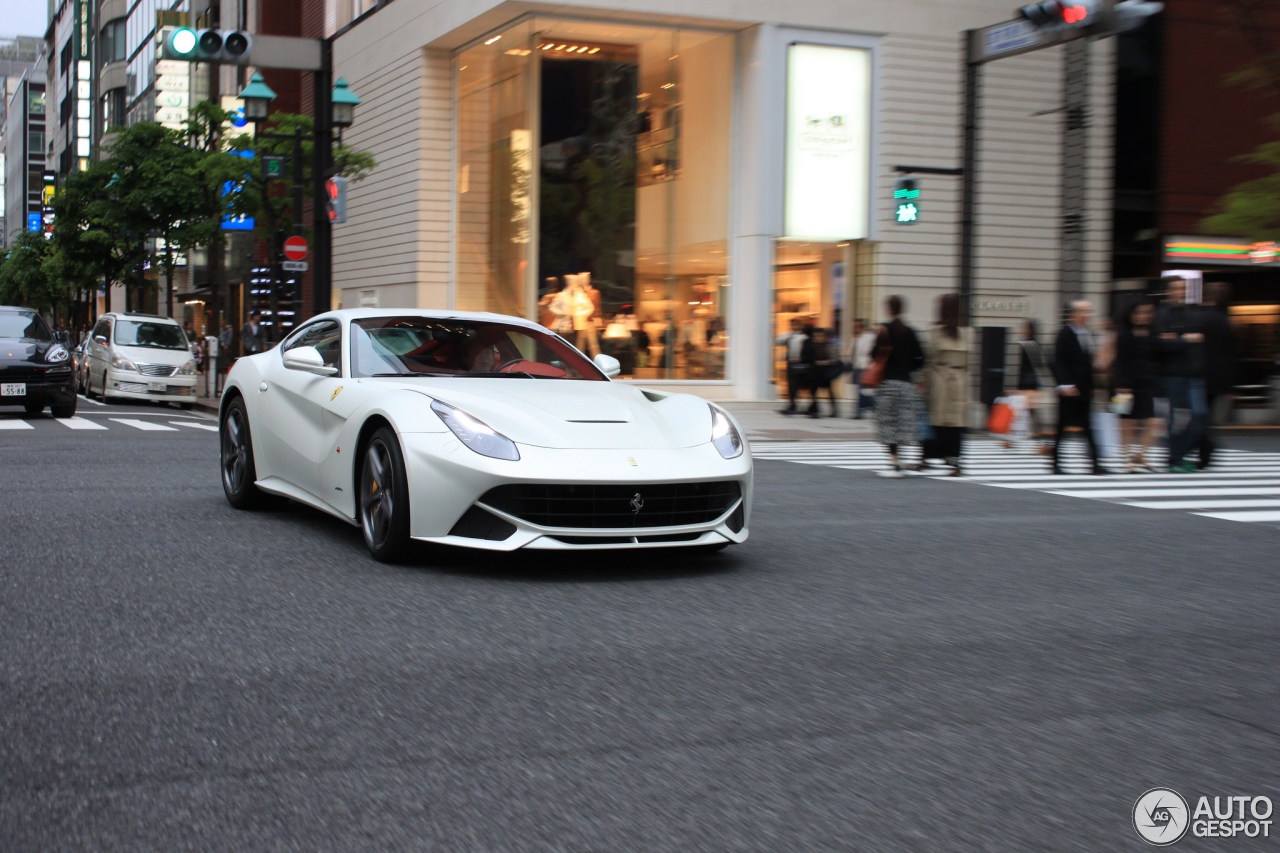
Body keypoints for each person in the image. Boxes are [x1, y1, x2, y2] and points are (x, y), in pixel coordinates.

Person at [1152, 276, 1207, 473]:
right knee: (1177, 419)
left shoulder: (1193, 312)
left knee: (1200, 417)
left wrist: (1177, 337)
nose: (1180, 292)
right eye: (1176, 288)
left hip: (1194, 373)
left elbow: (1199, 338)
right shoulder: (1162, 314)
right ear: (1168, 291)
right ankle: (1174, 459)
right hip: (1172, 374)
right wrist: (1186, 338)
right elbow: (1161, 343)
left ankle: (1178, 455)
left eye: (1183, 288)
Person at [1051, 300, 1108, 475]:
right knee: (1062, 427)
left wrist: (1093, 385)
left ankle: (1095, 463)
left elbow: (1088, 363)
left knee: (1088, 427)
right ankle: (1055, 463)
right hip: (1069, 389)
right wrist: (1065, 384)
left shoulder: (1088, 333)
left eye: (1089, 311)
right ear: (1073, 314)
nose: (1087, 315)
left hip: (1084, 388)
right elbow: (1058, 361)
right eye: (1083, 311)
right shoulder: (1065, 333)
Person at [874, 295, 925, 477]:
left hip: (888, 383)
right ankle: (900, 459)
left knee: (888, 422)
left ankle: (894, 459)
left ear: (889, 309)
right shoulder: (910, 332)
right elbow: (920, 358)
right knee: (902, 422)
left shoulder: (884, 330)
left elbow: (874, 355)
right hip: (905, 384)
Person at [925, 293, 970, 476]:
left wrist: (923, 381)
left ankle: (929, 456)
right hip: (960, 380)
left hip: (940, 379)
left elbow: (930, 359)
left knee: (936, 420)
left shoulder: (937, 332)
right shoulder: (965, 332)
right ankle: (955, 461)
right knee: (955, 422)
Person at [1113, 298, 1159, 472]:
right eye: (1139, 312)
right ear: (1131, 315)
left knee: (1151, 421)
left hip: (1147, 382)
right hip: (1124, 385)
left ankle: (1142, 455)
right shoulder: (1124, 334)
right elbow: (1120, 362)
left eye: (1147, 312)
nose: (1143, 316)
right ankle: (1126, 458)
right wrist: (1121, 384)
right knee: (1126, 423)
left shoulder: (1153, 334)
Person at [1197, 281, 1236, 469]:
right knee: (1206, 414)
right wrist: (1230, 385)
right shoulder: (1225, 320)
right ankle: (1205, 450)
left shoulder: (1199, 317)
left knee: (1196, 415)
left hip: (1197, 373)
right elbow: (1231, 353)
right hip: (1218, 377)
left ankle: (1205, 447)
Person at [1012, 318, 1053, 454]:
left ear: (1029, 329)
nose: (1022, 330)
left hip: (1028, 384)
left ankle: (1044, 443)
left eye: (1024, 328)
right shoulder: (1034, 344)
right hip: (1031, 384)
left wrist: (1019, 386)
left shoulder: (1028, 344)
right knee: (1025, 413)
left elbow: (1026, 368)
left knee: (1030, 414)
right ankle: (1011, 440)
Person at [801, 326, 838, 418]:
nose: (817, 338)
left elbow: (834, 359)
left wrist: (824, 362)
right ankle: (815, 409)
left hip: (825, 372)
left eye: (819, 336)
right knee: (814, 391)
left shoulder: (828, 346)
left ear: (824, 336)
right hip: (815, 373)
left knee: (829, 391)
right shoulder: (812, 346)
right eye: (815, 336)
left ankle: (834, 410)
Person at [776, 317, 811, 415]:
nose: (793, 326)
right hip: (791, 364)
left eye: (795, 324)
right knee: (791, 386)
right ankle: (792, 405)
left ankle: (799, 406)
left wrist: (799, 359)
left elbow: (805, 352)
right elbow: (779, 341)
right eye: (792, 324)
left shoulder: (804, 337)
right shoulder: (790, 336)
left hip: (801, 365)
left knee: (799, 386)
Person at [847, 318, 877, 419]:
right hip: (856, 367)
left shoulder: (869, 337)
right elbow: (851, 353)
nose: (853, 329)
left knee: (861, 391)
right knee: (860, 391)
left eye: (855, 327)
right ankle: (872, 405)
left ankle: (861, 411)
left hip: (864, 367)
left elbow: (871, 352)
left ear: (860, 327)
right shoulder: (855, 339)